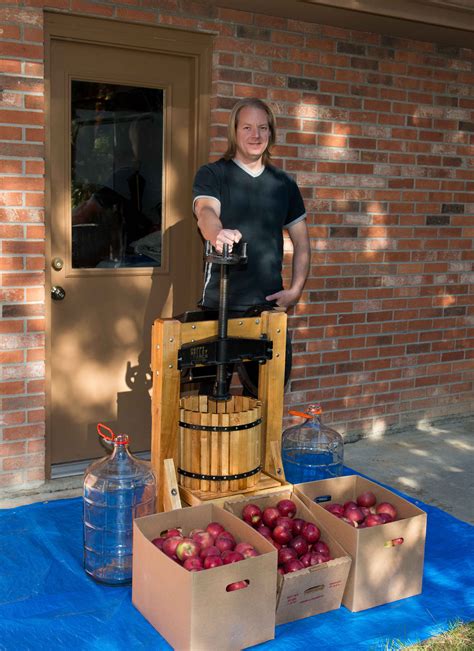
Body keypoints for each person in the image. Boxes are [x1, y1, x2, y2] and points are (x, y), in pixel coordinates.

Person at [191, 97, 310, 394]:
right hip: (219, 306)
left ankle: (261, 444)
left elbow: (302, 243)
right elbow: (205, 213)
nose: (255, 135)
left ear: (270, 133)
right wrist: (216, 233)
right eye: (247, 127)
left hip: (267, 309)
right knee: (209, 398)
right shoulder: (214, 174)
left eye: (262, 128)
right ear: (234, 131)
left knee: (266, 398)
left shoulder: (284, 184)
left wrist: (295, 290)